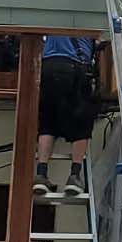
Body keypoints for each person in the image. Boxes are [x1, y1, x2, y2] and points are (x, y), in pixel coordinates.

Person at [34, 34, 97, 202]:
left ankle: (41, 174)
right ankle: (74, 176)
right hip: (76, 67)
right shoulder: (88, 17)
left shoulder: (54, 16)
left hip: (49, 66)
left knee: (48, 123)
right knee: (81, 124)